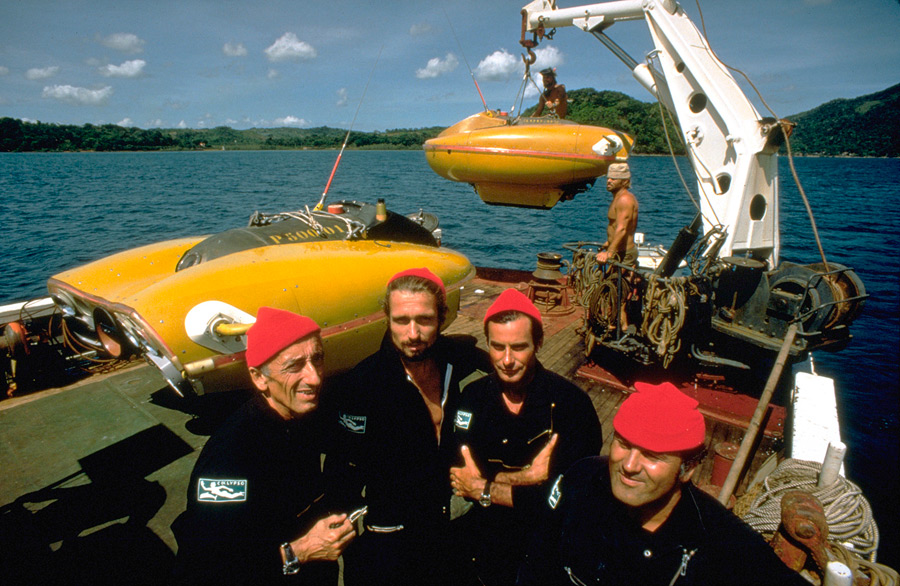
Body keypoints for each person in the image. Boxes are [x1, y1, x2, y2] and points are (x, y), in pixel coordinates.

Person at [517, 381, 810, 586]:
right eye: (623, 443)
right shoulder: (582, 480)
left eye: (652, 455)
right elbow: (537, 563)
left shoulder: (720, 540)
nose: (629, 466)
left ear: (688, 469)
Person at [324, 267, 490, 586]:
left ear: (442, 317)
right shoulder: (362, 385)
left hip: (449, 528)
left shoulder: (461, 363)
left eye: (424, 320)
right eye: (401, 320)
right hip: (386, 544)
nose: (412, 333)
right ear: (387, 319)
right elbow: (340, 478)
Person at [172, 307, 355, 585]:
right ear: (259, 378)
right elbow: (204, 565)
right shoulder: (230, 456)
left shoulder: (302, 410)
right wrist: (299, 551)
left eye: (317, 360)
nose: (315, 377)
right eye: (294, 366)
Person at [449, 288, 602, 586]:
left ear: (539, 343)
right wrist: (529, 477)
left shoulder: (572, 405)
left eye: (519, 347)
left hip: (544, 549)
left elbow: (569, 498)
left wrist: (484, 487)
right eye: (497, 347)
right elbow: (458, 476)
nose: (507, 360)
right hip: (482, 545)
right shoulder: (472, 397)